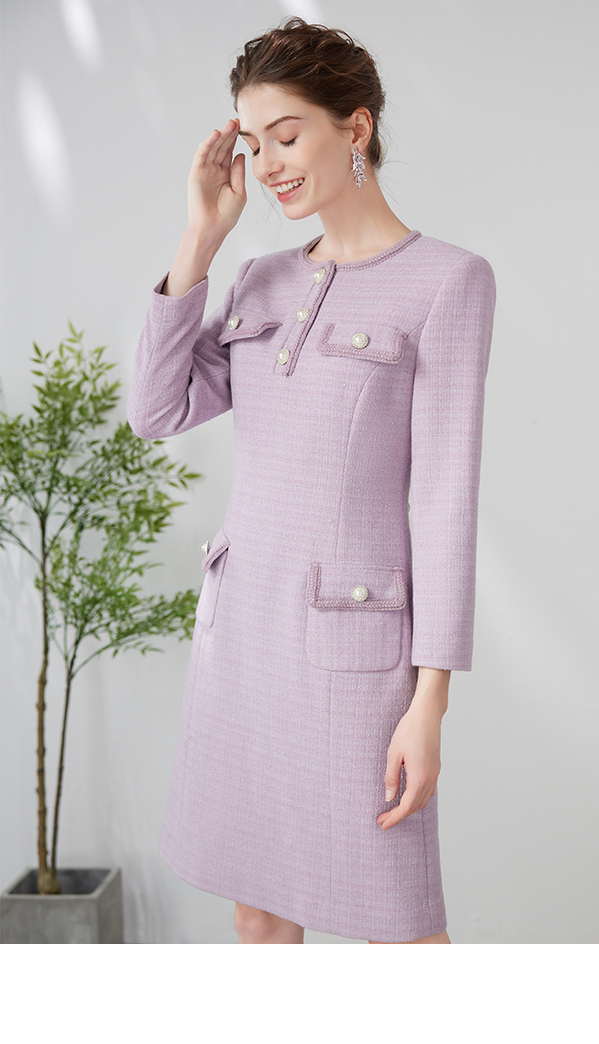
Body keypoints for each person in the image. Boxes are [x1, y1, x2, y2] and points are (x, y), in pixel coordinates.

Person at [127, 16, 496, 944]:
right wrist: (201, 238)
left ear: (355, 128)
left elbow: (444, 503)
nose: (268, 165)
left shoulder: (449, 282)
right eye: (254, 144)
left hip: (356, 655)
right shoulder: (257, 280)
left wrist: (430, 701)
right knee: (258, 913)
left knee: (400, 932)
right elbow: (157, 409)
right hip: (243, 640)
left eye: (286, 136)